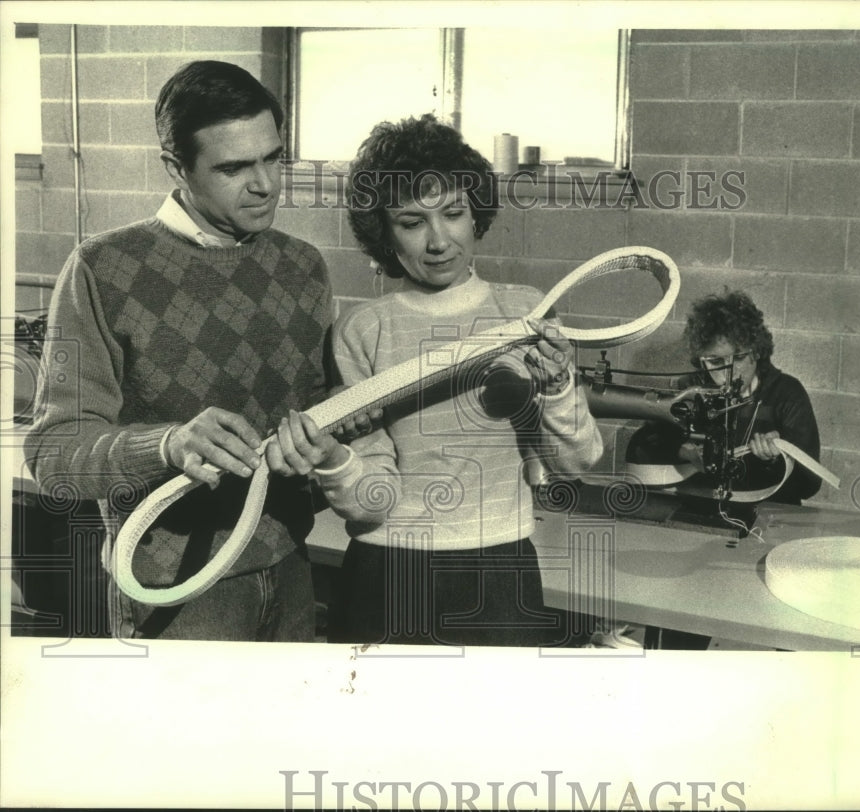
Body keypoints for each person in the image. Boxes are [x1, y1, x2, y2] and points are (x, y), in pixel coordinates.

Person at [25, 60, 338, 642]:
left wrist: (320, 445)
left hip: (294, 569)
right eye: (234, 167)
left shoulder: (303, 265)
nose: (265, 184)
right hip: (173, 590)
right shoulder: (101, 269)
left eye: (273, 158)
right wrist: (167, 444)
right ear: (177, 168)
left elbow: (327, 406)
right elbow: (52, 452)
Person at [267, 114, 605, 646]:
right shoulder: (363, 329)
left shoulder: (524, 312)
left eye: (452, 213)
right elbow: (369, 500)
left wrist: (560, 386)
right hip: (386, 574)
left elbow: (575, 462)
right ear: (384, 232)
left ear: (476, 215)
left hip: (499, 571)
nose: (438, 240)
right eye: (410, 221)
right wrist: (332, 458)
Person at [634, 289, 822, 649]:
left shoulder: (787, 394)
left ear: (755, 352)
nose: (721, 372)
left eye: (732, 360)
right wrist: (683, 450)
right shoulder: (693, 391)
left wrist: (777, 459)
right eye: (710, 361)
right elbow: (644, 444)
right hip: (704, 521)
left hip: (766, 524)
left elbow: (810, 482)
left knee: (774, 629)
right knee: (676, 630)